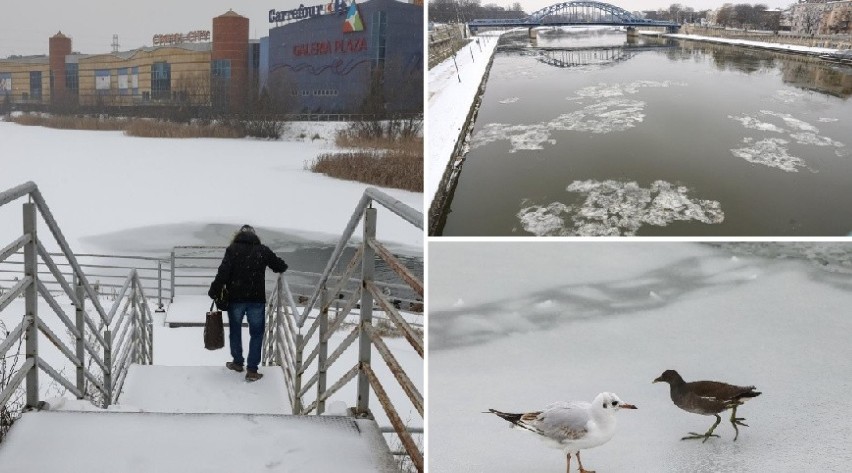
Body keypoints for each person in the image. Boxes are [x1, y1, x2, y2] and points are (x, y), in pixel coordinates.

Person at [208, 224, 288, 382]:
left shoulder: (232, 250)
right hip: (256, 299)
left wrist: (214, 290)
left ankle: (237, 363)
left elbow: (223, 272)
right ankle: (252, 370)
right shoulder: (262, 250)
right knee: (257, 334)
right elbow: (280, 266)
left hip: (235, 299)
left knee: (235, 330)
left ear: (238, 235)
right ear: (255, 236)